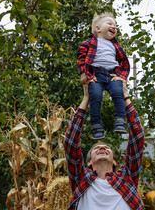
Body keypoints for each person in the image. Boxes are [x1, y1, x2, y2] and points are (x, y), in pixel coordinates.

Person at [63, 77, 145, 210]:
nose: (102, 147)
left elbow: (138, 137)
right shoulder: (81, 180)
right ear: (89, 162)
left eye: (106, 147)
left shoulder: (126, 178)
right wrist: (86, 98)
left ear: (114, 161)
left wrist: (124, 95)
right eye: (96, 148)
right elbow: (70, 143)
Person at [76, 12, 130, 140]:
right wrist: (84, 73)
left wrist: (122, 76)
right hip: (95, 74)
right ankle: (96, 126)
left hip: (112, 74)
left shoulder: (115, 45)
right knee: (95, 95)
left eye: (115, 25)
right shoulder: (90, 42)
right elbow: (81, 56)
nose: (114, 27)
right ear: (98, 29)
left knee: (118, 93)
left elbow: (123, 62)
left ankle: (120, 120)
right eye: (110, 24)